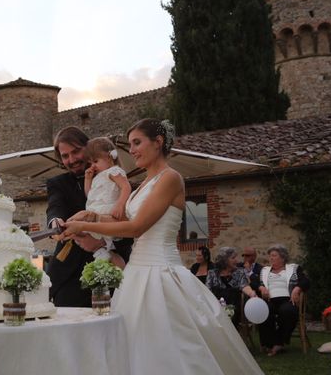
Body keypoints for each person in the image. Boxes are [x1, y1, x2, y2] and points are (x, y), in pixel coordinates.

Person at [62, 119, 263, 374]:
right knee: (134, 344)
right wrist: (86, 217)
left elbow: (136, 228)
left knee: (173, 346)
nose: (131, 150)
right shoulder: (142, 186)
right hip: (136, 272)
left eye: (137, 142)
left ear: (157, 143)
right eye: (130, 144)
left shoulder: (170, 179)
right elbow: (121, 220)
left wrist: (85, 228)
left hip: (161, 271)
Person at [46, 126, 133, 307]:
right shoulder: (57, 183)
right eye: (65, 156)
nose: (71, 160)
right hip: (69, 277)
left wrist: (101, 244)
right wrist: (55, 221)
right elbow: (55, 206)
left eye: (76, 152)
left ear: (88, 147)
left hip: (111, 270)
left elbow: (130, 224)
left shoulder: (116, 179)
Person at [71, 137, 131, 266]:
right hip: (95, 211)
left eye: (96, 161)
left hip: (108, 212)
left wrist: (120, 204)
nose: (93, 166)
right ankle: (104, 255)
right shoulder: (98, 177)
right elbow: (90, 195)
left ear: (110, 157)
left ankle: (109, 257)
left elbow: (126, 187)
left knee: (100, 237)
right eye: (90, 162)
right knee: (78, 234)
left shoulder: (114, 171)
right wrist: (88, 179)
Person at [257, 244, 310, 356]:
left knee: (287, 311)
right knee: (263, 311)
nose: (271, 258)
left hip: (288, 299)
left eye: (274, 255)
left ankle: (278, 342)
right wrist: (261, 287)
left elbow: (305, 281)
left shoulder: (294, 268)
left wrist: (296, 289)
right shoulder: (264, 270)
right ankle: (269, 343)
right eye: (270, 256)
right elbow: (254, 282)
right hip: (270, 300)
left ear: (282, 257)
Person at [207, 246, 257, 326]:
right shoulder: (212, 273)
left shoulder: (240, 272)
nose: (236, 261)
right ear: (225, 260)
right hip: (216, 305)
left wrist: (251, 293)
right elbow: (207, 291)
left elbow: (244, 285)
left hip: (233, 306)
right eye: (233, 258)